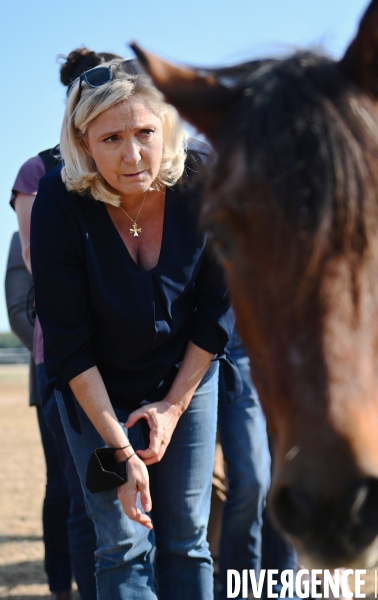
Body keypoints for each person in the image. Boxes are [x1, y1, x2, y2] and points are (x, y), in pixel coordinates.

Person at [30, 57, 234, 599]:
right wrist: (119, 450)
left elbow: (218, 312)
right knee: (121, 544)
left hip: (185, 378)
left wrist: (171, 407)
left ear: (166, 127)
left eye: (145, 132)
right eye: (111, 138)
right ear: (83, 141)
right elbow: (68, 344)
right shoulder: (57, 200)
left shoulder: (203, 184)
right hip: (92, 393)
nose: (133, 154)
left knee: (187, 539)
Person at [7, 48, 126, 600]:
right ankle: (66, 588)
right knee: (74, 490)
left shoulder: (132, 157)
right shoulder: (38, 170)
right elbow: (34, 259)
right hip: (60, 350)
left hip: (128, 352)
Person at [218, 329, 298, 600]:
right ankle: (237, 590)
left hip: (288, 342)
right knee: (252, 481)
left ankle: (282, 588)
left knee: (287, 477)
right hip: (235, 342)